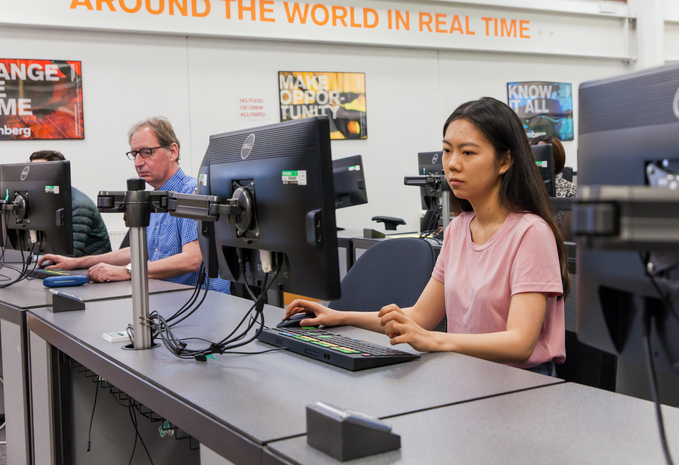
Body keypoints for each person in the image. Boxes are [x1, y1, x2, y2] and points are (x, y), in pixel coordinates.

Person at [285, 97, 570, 376]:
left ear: (504, 161)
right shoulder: (458, 228)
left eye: (467, 153)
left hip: (521, 386)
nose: (452, 164)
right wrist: (338, 316)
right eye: (447, 151)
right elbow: (421, 316)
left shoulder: (531, 233)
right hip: (466, 374)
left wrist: (433, 340)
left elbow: (519, 343)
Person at [38, 117, 230, 294]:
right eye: (134, 154)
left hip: (198, 304)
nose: (138, 162)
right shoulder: (155, 197)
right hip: (169, 297)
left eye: (147, 152)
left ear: (173, 151)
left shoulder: (189, 193)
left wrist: (127, 271)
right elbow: (141, 250)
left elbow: (192, 260)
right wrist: (77, 263)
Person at [28, 150, 112, 257]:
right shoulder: (44, 202)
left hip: (89, 269)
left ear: (57, 174)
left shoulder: (79, 206)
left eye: (38, 172)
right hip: (65, 265)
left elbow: (71, 255)